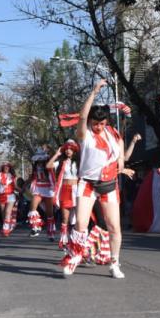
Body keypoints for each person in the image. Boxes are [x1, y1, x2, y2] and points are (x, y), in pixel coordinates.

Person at [59, 79, 135, 278]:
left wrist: (122, 170)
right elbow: (83, 116)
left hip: (109, 186)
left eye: (102, 123)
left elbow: (118, 160)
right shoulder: (85, 134)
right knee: (81, 225)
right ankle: (74, 256)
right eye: (95, 123)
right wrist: (93, 92)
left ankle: (114, 263)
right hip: (87, 184)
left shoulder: (114, 134)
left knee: (114, 227)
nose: (99, 126)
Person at [26, 147, 57, 238]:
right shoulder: (35, 167)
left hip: (48, 189)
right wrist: (23, 188)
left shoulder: (49, 166)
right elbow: (32, 178)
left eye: (41, 158)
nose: (39, 160)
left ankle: (51, 232)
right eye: (38, 159)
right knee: (32, 207)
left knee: (49, 213)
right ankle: (35, 227)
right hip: (38, 188)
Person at [0, 162, 18, 237]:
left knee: (7, 212)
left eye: (8, 167)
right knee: (3, 212)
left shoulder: (13, 176)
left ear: (10, 168)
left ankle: (5, 230)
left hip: (10, 195)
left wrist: (23, 190)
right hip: (1, 195)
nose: (6, 168)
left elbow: (15, 186)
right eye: (5, 167)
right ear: (2, 167)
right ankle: (7, 226)